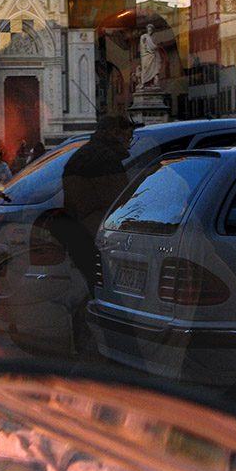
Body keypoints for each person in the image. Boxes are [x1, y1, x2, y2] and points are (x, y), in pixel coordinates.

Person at [62, 115, 133, 291]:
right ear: (116, 133)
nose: (130, 144)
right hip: (98, 237)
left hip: (80, 233)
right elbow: (117, 203)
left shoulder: (84, 153)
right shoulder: (106, 158)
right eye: (128, 136)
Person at [137, 23, 162, 89]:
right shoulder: (143, 36)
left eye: (151, 29)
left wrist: (154, 48)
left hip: (153, 55)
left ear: (152, 30)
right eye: (149, 29)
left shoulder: (154, 38)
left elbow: (156, 46)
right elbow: (142, 46)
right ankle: (143, 83)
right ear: (147, 29)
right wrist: (147, 49)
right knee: (145, 69)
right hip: (146, 55)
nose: (150, 30)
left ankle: (152, 83)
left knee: (154, 70)